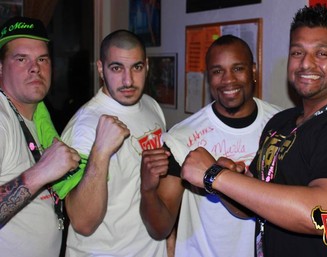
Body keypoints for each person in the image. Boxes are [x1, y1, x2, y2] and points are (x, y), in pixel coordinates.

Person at [180, 5, 327, 257]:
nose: (306, 63)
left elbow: (322, 215)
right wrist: (231, 184)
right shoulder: (280, 122)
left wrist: (215, 176)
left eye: (322, 53)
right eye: (297, 52)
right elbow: (256, 205)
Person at [140, 35, 282, 257]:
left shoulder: (281, 125)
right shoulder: (181, 136)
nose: (228, 80)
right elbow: (160, 228)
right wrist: (147, 190)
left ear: (253, 70)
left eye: (238, 69)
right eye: (218, 71)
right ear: (208, 77)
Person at [52, 29, 168, 257]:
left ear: (146, 65)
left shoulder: (151, 106)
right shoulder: (84, 128)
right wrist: (101, 151)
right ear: (100, 69)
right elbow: (83, 223)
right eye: (116, 68)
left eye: (136, 67)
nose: (128, 80)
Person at [0, 16, 81, 257]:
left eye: (42, 59)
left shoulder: (40, 119)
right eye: (21, 58)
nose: (35, 67)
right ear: (1, 67)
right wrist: (41, 172)